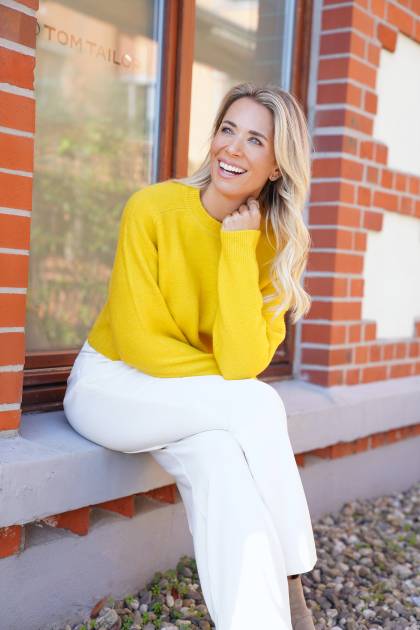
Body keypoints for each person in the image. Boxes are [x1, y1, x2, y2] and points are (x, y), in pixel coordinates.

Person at [63, 81, 318, 630]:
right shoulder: (153, 209)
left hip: (191, 400)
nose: (233, 148)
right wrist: (226, 384)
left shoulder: (273, 244)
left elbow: (242, 363)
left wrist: (238, 246)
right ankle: (295, 579)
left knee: (222, 462)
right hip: (112, 386)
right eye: (228, 129)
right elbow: (141, 342)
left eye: (255, 140)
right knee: (256, 402)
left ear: (278, 165)